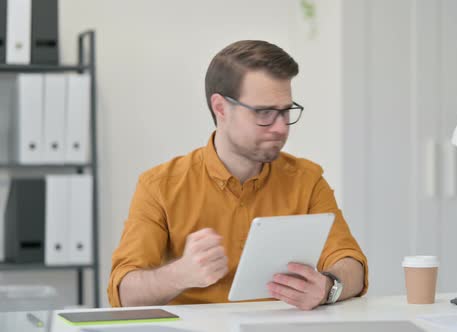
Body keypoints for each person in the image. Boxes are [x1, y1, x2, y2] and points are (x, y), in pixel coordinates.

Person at [107, 40, 368, 311]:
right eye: (265, 112)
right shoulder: (159, 187)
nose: (280, 128)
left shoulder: (307, 180)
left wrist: (328, 287)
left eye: (285, 111)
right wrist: (179, 274)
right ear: (220, 108)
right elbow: (123, 294)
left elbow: (352, 266)